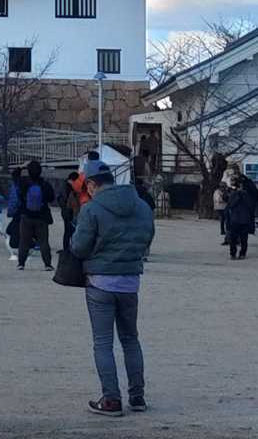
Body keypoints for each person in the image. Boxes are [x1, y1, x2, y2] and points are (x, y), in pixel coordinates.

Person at [69, 163, 156, 417]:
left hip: (100, 282)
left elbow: (79, 247)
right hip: (130, 281)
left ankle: (111, 399)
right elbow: (148, 239)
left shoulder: (91, 209)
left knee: (103, 343)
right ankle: (137, 397)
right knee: (130, 339)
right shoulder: (142, 206)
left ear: (92, 184)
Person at [15, 160, 57, 271]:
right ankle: (47, 264)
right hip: (41, 216)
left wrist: (21, 167)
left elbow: (14, 176)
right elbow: (51, 198)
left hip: (26, 215)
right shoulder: (45, 184)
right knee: (43, 241)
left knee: (24, 241)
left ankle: (21, 263)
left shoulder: (24, 183)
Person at [225, 171, 257, 260]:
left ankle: (236, 253)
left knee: (239, 239)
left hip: (238, 219)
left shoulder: (243, 195)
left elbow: (230, 205)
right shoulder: (238, 194)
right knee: (240, 239)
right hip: (240, 219)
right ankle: (238, 253)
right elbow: (231, 204)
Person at [59, 170, 81, 252]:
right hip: (68, 212)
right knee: (69, 231)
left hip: (67, 212)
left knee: (69, 231)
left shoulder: (65, 186)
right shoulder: (68, 188)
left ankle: (67, 248)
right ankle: (68, 249)